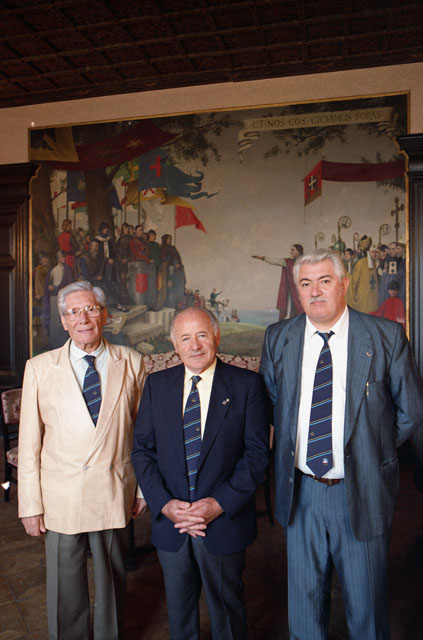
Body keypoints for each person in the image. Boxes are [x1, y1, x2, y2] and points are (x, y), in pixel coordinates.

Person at [260, 249, 423, 640]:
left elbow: (411, 411)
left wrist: (371, 450)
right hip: (301, 493)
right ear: (298, 291)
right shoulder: (278, 337)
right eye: (306, 283)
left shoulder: (384, 336)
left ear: (344, 284)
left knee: (366, 610)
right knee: (304, 610)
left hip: (360, 489)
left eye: (325, 281)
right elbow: (273, 403)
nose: (315, 292)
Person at [18, 281, 147, 640]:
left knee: (112, 581)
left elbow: (143, 435)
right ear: (63, 321)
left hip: (113, 487)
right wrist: (30, 505)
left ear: (104, 315)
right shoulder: (40, 367)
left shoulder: (132, 362)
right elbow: (29, 444)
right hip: (60, 494)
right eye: (73, 312)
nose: (83, 318)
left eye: (91, 309)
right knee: (65, 585)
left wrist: (142, 490)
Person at [132, 307, 269, 639]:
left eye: (202, 335)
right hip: (172, 522)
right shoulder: (156, 385)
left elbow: (256, 456)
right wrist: (165, 504)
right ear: (174, 344)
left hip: (223, 522)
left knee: (228, 612)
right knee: (179, 614)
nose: (194, 346)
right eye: (185, 338)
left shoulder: (246, 385)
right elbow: (142, 451)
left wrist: (219, 504)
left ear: (216, 337)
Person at [252, 244, 304, 320]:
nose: (291, 251)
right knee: (291, 311)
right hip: (292, 291)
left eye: (293, 250)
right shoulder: (288, 262)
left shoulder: (305, 262)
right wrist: (263, 258)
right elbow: (275, 261)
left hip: (303, 290)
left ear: (298, 251)